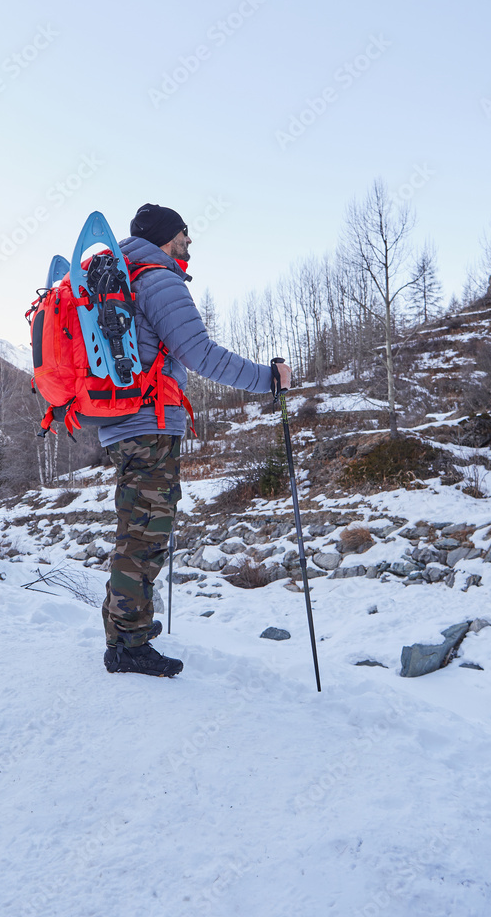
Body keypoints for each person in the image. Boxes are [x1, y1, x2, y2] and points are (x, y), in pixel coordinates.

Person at [100, 203, 292, 678]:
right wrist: (268, 378)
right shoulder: (157, 279)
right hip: (147, 425)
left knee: (137, 528)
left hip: (128, 423)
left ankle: (127, 628)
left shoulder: (125, 276)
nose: (189, 242)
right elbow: (202, 354)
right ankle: (127, 646)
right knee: (144, 535)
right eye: (184, 233)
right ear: (168, 238)